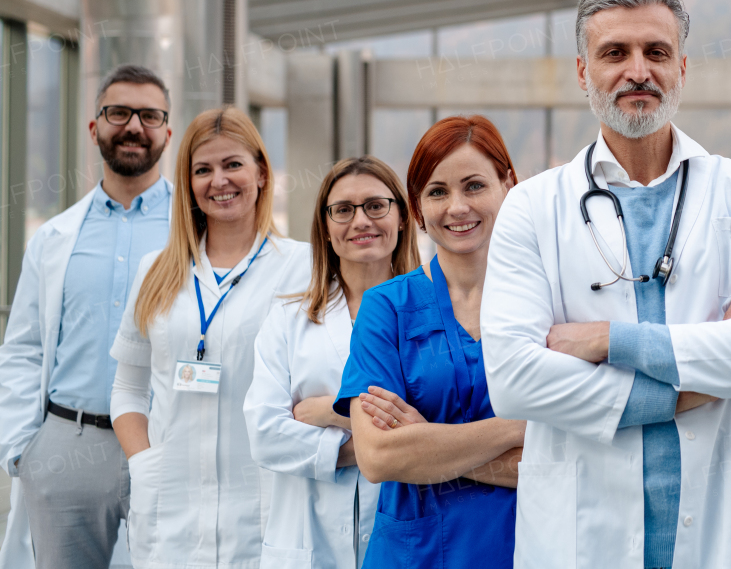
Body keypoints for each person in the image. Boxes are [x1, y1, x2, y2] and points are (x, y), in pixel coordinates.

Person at [481, 0, 731, 569]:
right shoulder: (533, 206)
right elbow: (512, 379)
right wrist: (697, 384)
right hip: (583, 538)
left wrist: (611, 341)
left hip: (728, 531)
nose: (639, 70)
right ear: (584, 72)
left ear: (681, 66)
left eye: (656, 52)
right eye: (615, 53)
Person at [109, 107, 311, 569]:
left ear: (261, 172)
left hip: (264, 505)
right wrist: (144, 464)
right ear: (188, 184)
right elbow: (127, 389)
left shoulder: (304, 268)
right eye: (203, 170)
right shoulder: (155, 273)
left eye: (232, 165)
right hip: (169, 510)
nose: (219, 180)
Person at [0, 64, 174, 569]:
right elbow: (24, 347)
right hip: (65, 447)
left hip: (164, 441)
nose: (134, 126)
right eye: (118, 112)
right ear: (94, 127)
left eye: (149, 115)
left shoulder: (195, 232)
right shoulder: (54, 237)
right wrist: (22, 452)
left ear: (167, 130)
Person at [332, 117, 526, 568]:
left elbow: (569, 456)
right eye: (437, 191)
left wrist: (424, 445)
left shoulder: (545, 301)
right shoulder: (388, 309)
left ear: (508, 186)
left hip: (520, 548)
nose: (457, 207)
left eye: (474, 186)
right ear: (417, 207)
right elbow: (378, 456)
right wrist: (522, 427)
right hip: (416, 555)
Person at [245, 157, 420, 568]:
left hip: (406, 535)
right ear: (325, 228)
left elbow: (444, 425)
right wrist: (373, 445)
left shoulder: (433, 315)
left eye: (376, 205)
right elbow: (265, 434)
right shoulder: (287, 321)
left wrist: (331, 412)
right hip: (307, 543)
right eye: (343, 210)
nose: (361, 221)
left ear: (400, 217)